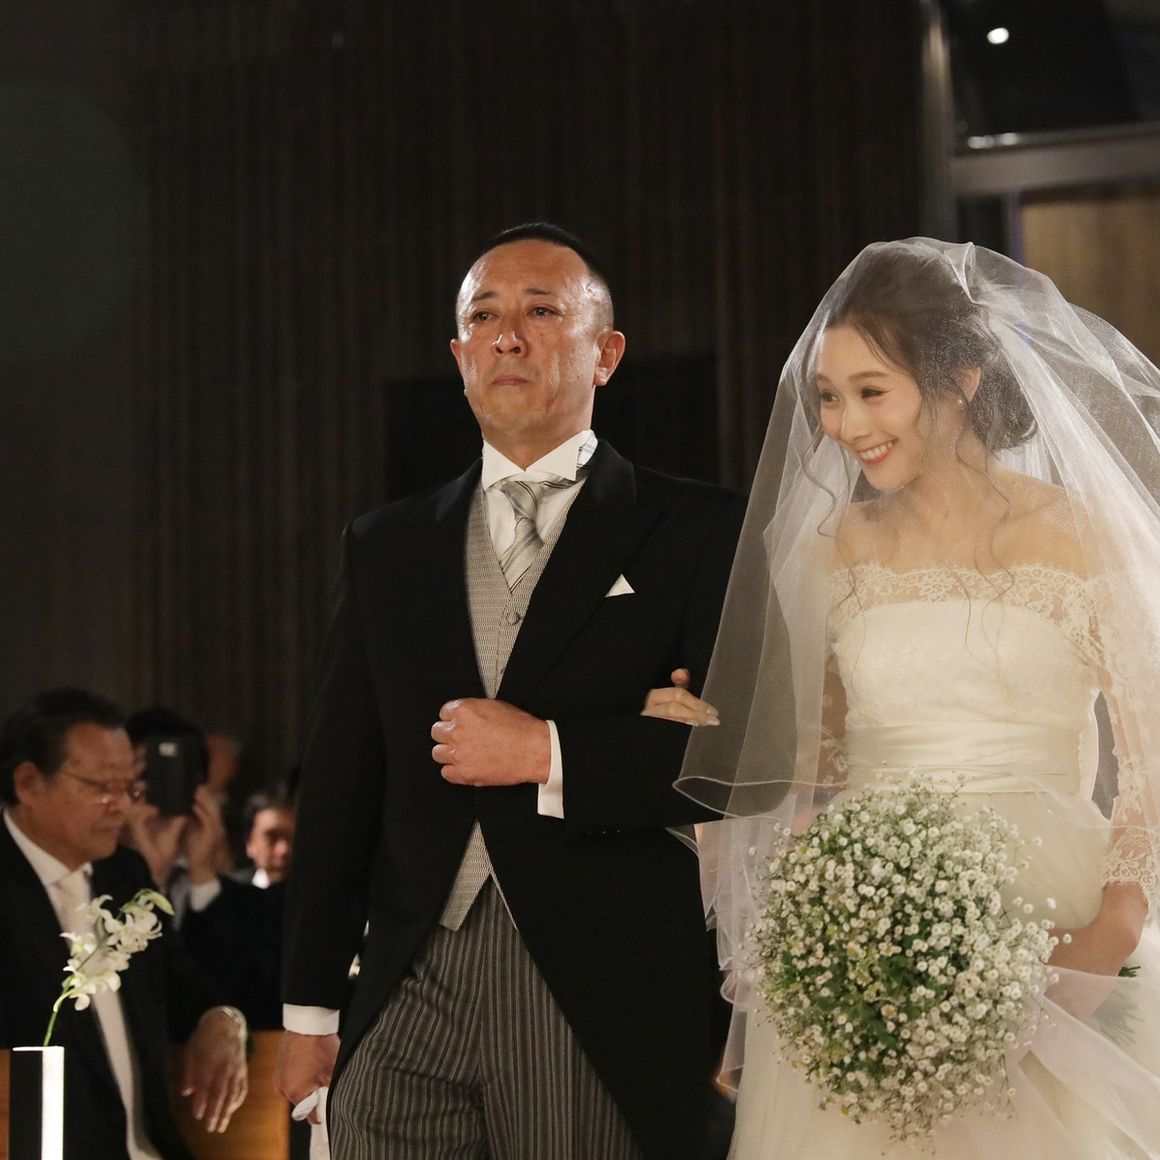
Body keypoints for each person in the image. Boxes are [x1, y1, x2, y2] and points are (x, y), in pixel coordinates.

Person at [676, 237, 1160, 1158]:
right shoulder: (834, 548)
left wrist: (1114, 927)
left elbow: (1154, 755)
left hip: (1051, 911)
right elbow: (811, 758)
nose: (846, 424)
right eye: (828, 397)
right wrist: (710, 733)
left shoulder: (1083, 537)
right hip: (868, 929)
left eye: (872, 391)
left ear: (960, 381)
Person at [276, 222, 747, 1159]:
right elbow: (339, 782)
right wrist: (309, 1006)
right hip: (408, 976)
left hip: (593, 980)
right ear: (459, 357)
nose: (507, 337)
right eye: (484, 318)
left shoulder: (699, 528)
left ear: (606, 353)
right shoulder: (384, 545)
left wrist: (550, 752)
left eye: (541, 312)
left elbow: (736, 757)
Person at [0, 687, 249, 1160]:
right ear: (29, 783)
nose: (122, 805)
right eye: (102, 787)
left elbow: (183, 986)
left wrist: (222, 1020)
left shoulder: (124, 873)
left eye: (129, 787)